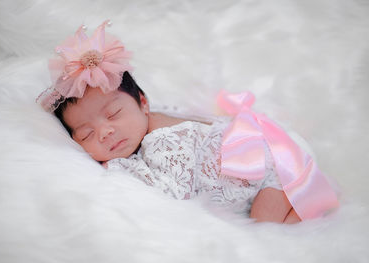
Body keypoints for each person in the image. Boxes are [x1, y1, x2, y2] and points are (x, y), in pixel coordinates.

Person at [37, 20, 339, 224]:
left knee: (268, 232)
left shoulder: (163, 142)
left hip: (274, 175)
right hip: (270, 151)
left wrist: (116, 167)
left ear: (143, 102)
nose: (105, 132)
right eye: (87, 134)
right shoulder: (154, 117)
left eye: (114, 114)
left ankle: (318, 205)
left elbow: (171, 194)